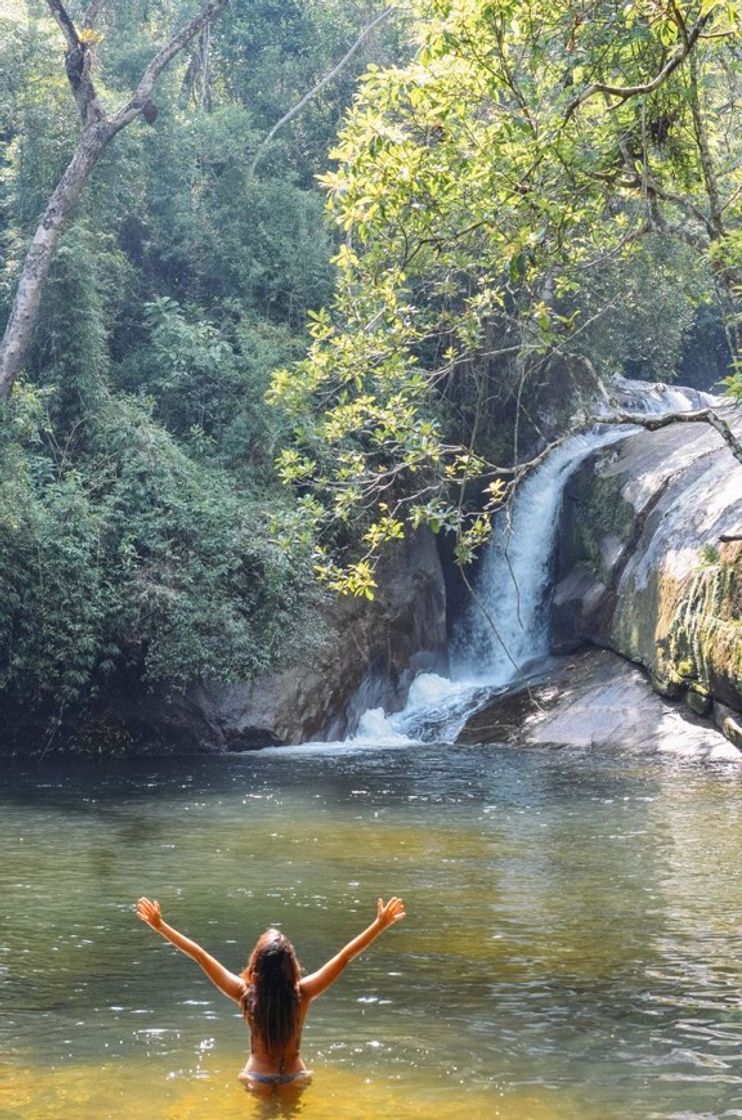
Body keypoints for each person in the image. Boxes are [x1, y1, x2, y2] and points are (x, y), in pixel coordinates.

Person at [135, 894, 406, 1093]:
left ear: (256, 964)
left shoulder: (245, 993)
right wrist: (379, 925)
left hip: (257, 1078)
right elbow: (345, 957)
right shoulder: (303, 993)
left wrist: (160, 926)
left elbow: (201, 957)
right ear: (291, 965)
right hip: (296, 1077)